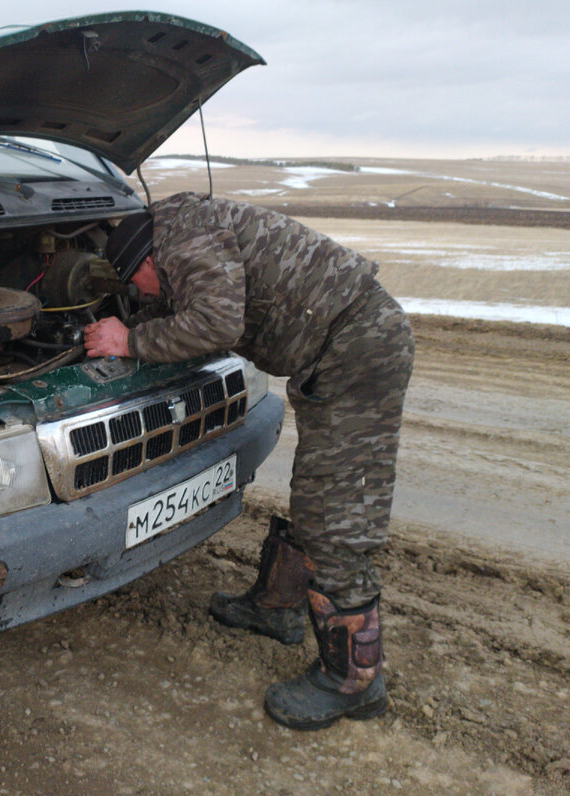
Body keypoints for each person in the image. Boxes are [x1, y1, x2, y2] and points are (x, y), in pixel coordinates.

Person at [83, 191, 414, 730]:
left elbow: (216, 323)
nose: (137, 295)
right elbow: (186, 303)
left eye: (135, 285)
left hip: (359, 348)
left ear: (146, 263)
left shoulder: (184, 240)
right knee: (315, 490)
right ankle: (277, 608)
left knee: (337, 507)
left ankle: (355, 681)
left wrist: (131, 339)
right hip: (333, 347)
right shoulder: (180, 232)